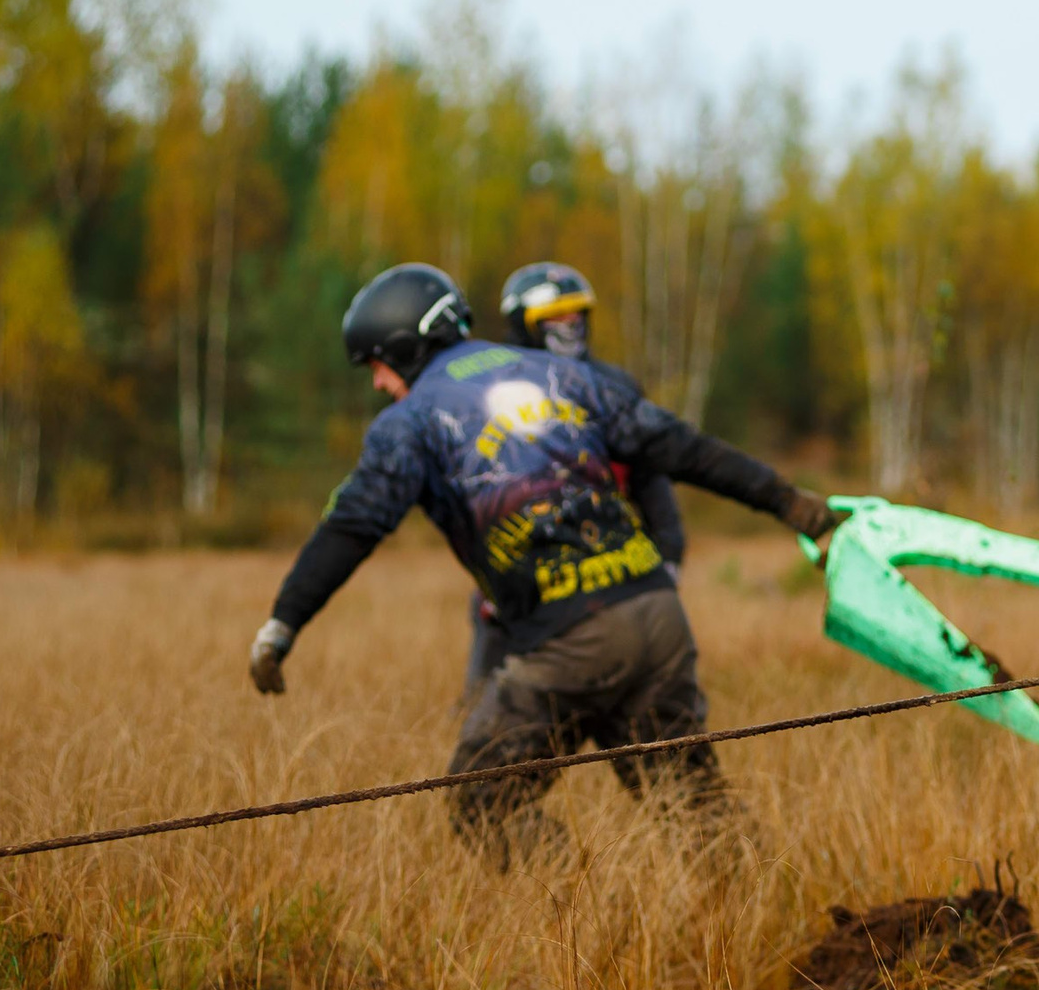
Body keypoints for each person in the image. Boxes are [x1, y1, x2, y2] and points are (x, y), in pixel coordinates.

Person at [247, 262, 840, 868]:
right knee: (696, 811)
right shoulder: (565, 375)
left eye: (376, 364)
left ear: (405, 347)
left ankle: (580, 906)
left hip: (568, 644)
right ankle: (763, 903)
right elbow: (685, 449)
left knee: (480, 801)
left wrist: (283, 623)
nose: (377, 382)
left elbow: (352, 525)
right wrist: (792, 505)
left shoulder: (412, 419)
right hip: (657, 614)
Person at [456, 261, 686, 699]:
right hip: (523, 567)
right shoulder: (489, 391)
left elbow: (649, 475)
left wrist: (670, 550)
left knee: (640, 697)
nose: (570, 324)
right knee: (493, 700)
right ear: (523, 324)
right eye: (556, 316)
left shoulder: (612, 387)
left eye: (577, 313)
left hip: (610, 560)